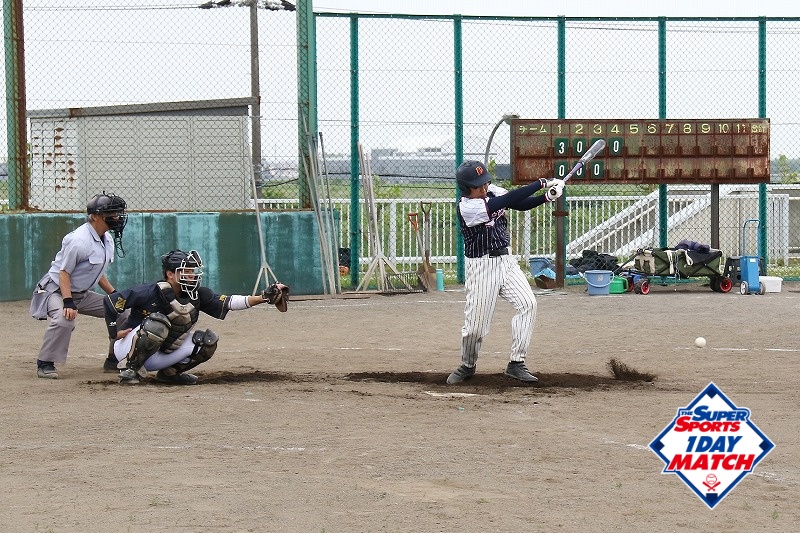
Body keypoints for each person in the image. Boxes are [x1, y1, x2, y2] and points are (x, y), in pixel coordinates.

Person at [446, 161, 565, 385]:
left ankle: (516, 363)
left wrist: (546, 197)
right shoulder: (467, 207)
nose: (484, 187)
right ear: (465, 188)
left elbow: (518, 203)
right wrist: (541, 183)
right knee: (475, 329)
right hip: (482, 267)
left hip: (507, 262)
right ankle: (467, 365)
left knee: (528, 304)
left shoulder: (491, 190)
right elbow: (504, 201)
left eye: (485, 183)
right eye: (478, 185)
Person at [104, 249, 289, 385]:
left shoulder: (197, 294)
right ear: (170, 274)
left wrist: (263, 297)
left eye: (192, 271)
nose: (191, 275)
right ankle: (130, 371)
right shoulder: (149, 292)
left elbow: (230, 302)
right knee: (158, 323)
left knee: (207, 341)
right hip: (128, 350)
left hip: (161, 353)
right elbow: (110, 302)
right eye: (185, 271)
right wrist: (113, 333)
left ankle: (168, 375)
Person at [30, 192, 128, 379]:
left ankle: (114, 359)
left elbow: (97, 272)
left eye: (117, 213)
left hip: (82, 294)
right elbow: (64, 273)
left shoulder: (107, 239)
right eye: (111, 213)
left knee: (123, 311)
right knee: (64, 319)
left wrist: (114, 294)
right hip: (56, 291)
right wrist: (68, 302)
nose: (117, 217)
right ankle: (45, 363)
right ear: (95, 216)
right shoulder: (78, 240)